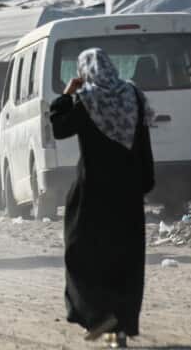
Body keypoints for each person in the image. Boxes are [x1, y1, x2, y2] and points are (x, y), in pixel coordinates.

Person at [50, 49, 154, 349]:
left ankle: (99, 316)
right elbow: (144, 142)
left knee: (84, 255)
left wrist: (66, 95)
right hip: (129, 194)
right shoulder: (133, 95)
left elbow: (60, 128)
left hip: (94, 195)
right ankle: (119, 327)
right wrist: (145, 182)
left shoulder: (87, 99)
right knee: (125, 260)